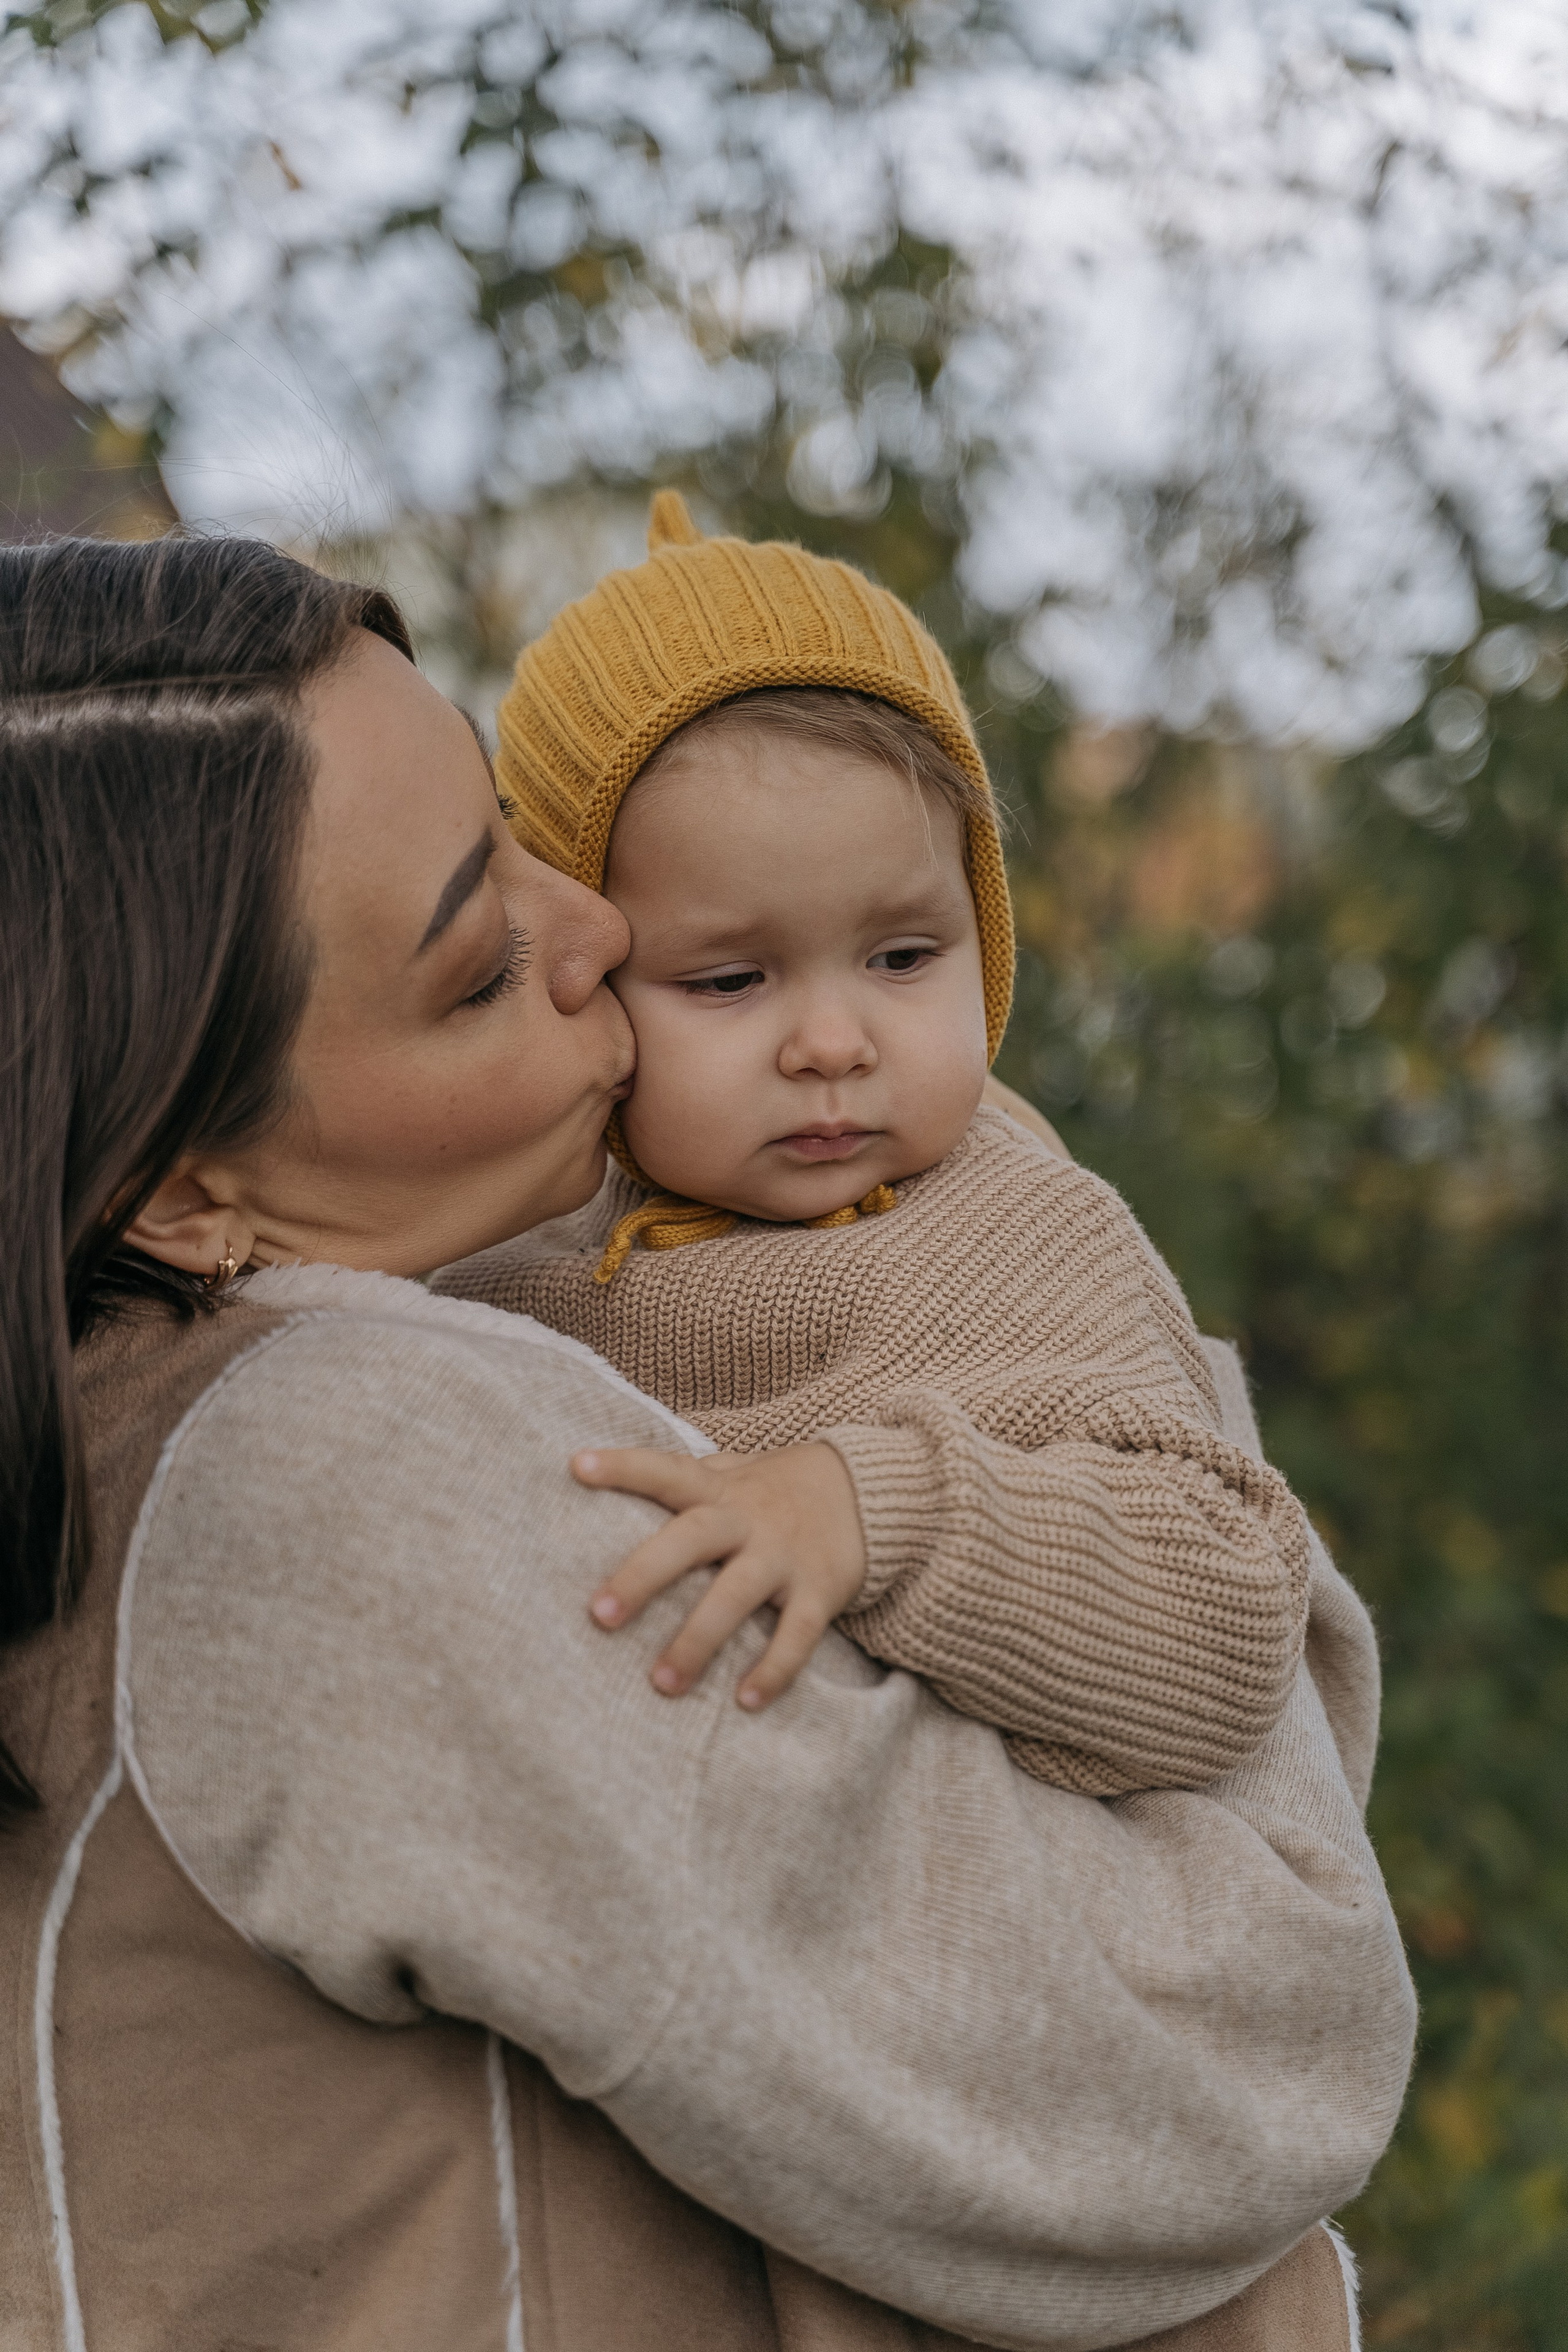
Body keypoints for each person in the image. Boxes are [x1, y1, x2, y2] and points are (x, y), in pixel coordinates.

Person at [0, 532, 1414, 2352]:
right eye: (479, 960)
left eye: (514, 828)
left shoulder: (97, 1407)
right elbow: (1257, 2044)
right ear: (187, 1189)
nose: (598, 924)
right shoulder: (344, 1472)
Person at [440, 495, 1311, 1803]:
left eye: (902, 958)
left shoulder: (1019, 1235)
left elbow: (1233, 1616)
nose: (832, 1043)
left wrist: (874, 1512)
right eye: (730, 980)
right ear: (583, 971)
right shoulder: (504, 1247)